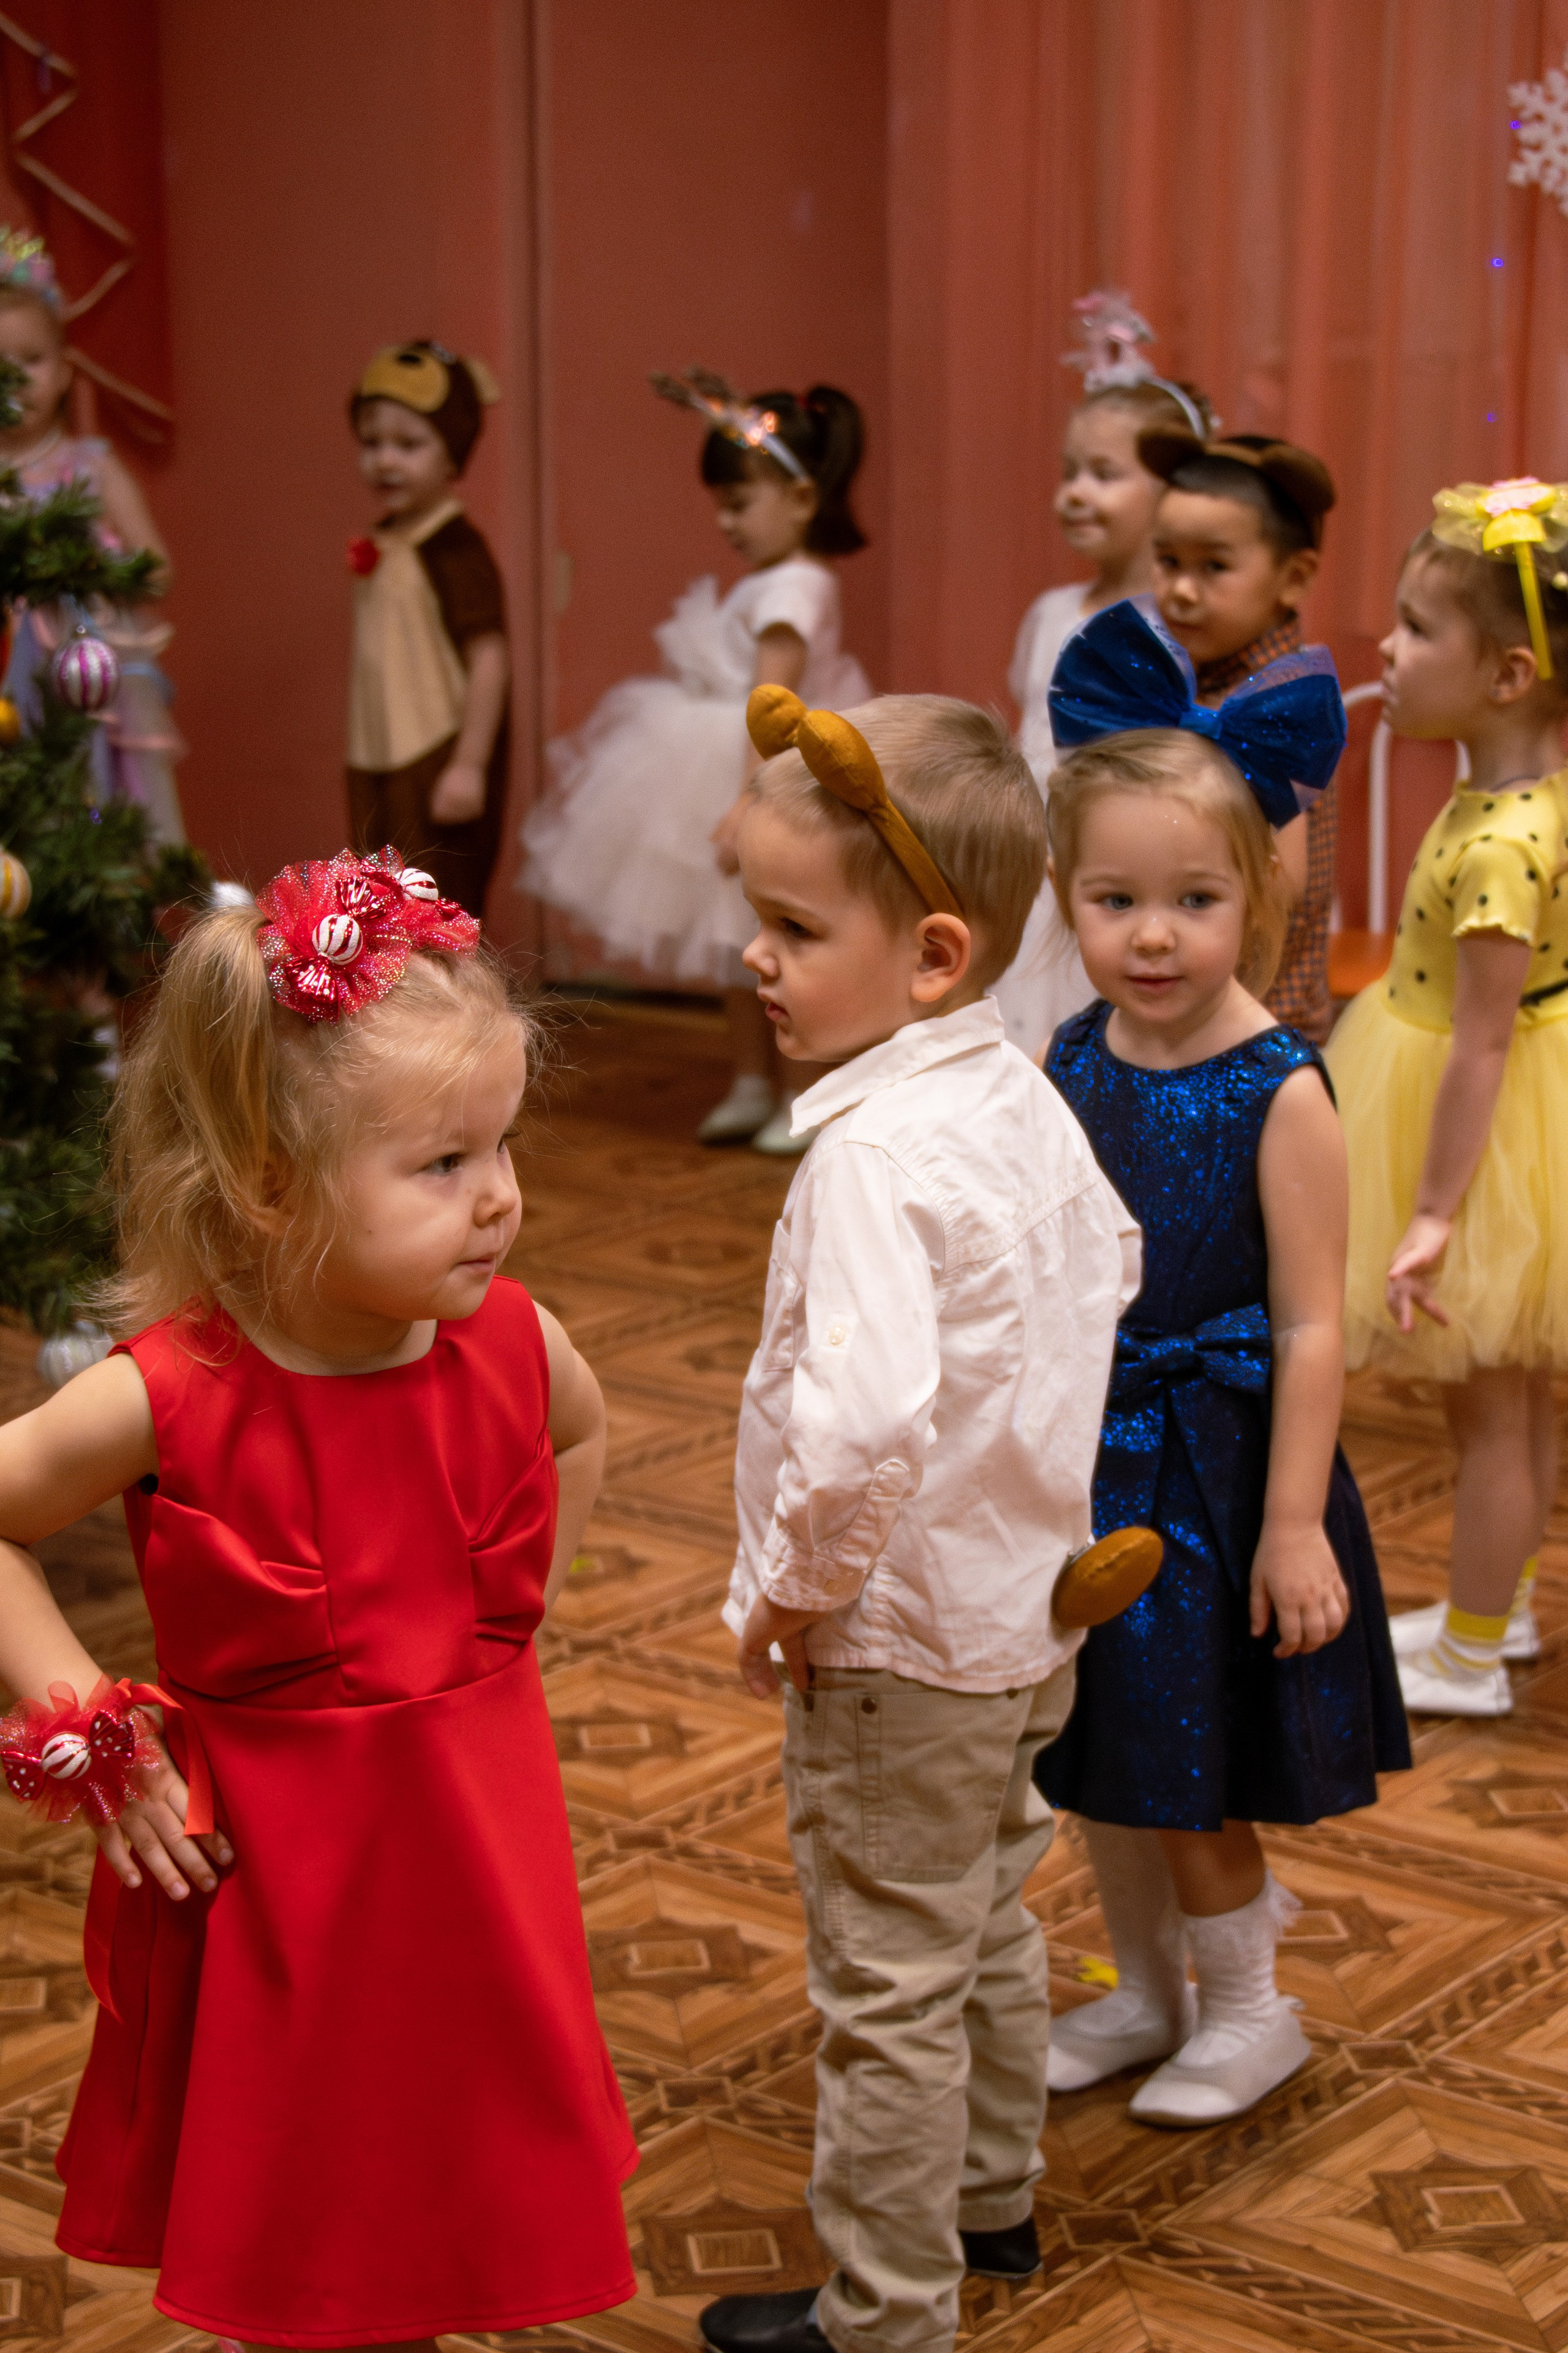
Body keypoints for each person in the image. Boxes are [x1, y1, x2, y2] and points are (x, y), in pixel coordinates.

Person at [0, 849, 636, 2341]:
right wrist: (77, 1711)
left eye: (500, 1148)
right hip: (280, 1884)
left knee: (451, 2170)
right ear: (271, 1183)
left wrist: (514, 1617)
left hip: (472, 1849)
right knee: (305, 2210)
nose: (500, 1199)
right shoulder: (174, 1390)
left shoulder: (514, 1342)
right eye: (442, 1165)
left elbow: (582, 1428)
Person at [701, 686, 1140, 2353]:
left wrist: (794, 1596)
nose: (758, 956)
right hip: (1028, 1607)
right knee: (988, 1912)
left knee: (885, 1978)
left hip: (895, 1642)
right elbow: (1110, 1265)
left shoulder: (869, 1159)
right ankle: (988, 2197)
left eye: (794, 928)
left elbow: (867, 1417)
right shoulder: (1021, 1092)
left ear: (935, 954)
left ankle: (885, 2313)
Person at [1035, 632, 1408, 2127]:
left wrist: (1291, 1522)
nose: (1151, 935)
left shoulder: (1279, 1086)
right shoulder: (1074, 1049)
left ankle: (1253, 2008)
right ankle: (1142, 1988)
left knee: (1190, 1757)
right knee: (1095, 1749)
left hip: (1218, 1464)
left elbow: (1313, 1324)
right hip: (1089, 1450)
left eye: (1192, 901)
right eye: (1113, 900)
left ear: (1256, 897)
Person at [1326, 478, 1568, 1717]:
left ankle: (1471, 1657)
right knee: (1513, 1400)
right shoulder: (1520, 805)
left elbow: (1478, 1048)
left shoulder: (1497, 845)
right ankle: (1498, 1613)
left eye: (1418, 630)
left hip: (1478, 1134)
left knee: (1489, 1412)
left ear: (1507, 675)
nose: (1387, 649)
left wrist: (1429, 1213)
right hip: (1514, 1109)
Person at [521, 369, 871, 1154]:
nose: (725, 521)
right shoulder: (770, 579)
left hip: (766, 766)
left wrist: (753, 796)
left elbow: (770, 702)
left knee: (779, 937)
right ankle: (750, 1081)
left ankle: (797, 1089)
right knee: (731, 943)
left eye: (740, 502)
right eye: (722, 502)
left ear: (803, 500)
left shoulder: (798, 586)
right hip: (715, 759)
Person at [998, 289, 1215, 1062]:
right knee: (1022, 1020)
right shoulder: (1051, 607)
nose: (1075, 492)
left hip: (1109, 861)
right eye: (1068, 472)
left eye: (1103, 473)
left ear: (1169, 493)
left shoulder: (1171, 623)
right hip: (1032, 857)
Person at [1137, 425, 1343, 1041]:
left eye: (1214, 566)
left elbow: (1282, 881)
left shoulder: (1273, 700)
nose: (1180, 589)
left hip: (1253, 1030)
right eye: (1168, 560)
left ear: (1295, 577)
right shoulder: (1200, 681)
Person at [0, 225, 185, 844]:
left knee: (100, 812)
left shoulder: (92, 466)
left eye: (32, 361)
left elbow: (154, 566)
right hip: (8, 678)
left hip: (90, 672)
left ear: (64, 372)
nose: (17, 382)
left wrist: (97, 571)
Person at [346, 341, 510, 919]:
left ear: (451, 455)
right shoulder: (388, 537)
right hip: (377, 749)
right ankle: (392, 1005)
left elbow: (489, 656)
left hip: (433, 752)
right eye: (372, 443)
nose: (385, 461)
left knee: (436, 902)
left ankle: (450, 1010)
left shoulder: (455, 548)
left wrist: (469, 762)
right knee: (378, 896)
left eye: (408, 444)